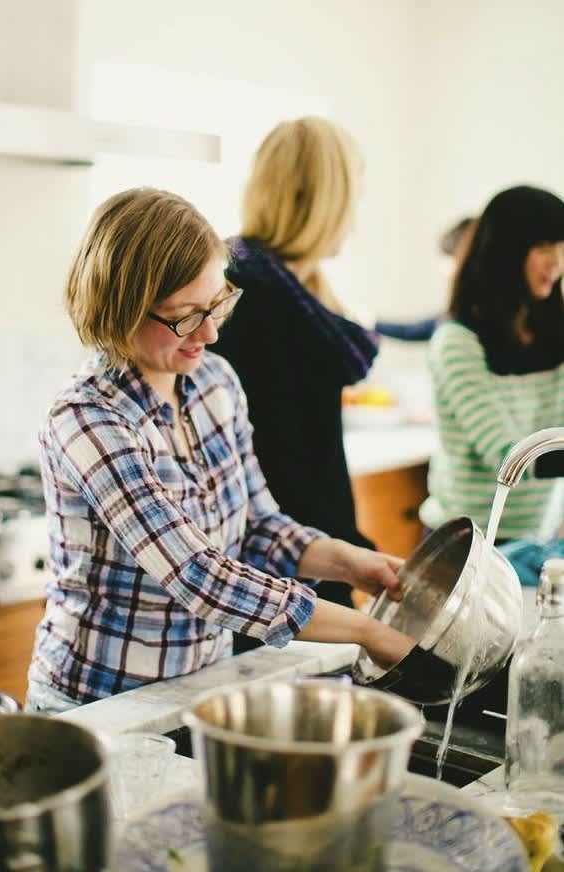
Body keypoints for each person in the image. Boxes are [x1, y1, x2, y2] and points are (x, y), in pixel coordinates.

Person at [25, 187, 413, 713]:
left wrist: (357, 565)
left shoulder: (215, 384)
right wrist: (365, 631)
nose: (207, 333)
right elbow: (198, 576)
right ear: (119, 310)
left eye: (216, 305)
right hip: (94, 705)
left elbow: (257, 527)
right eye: (184, 316)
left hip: (197, 689)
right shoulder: (89, 419)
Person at [212, 117, 378, 625]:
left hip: (314, 556)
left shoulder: (299, 296)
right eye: (352, 197)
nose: (354, 217)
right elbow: (277, 464)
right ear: (323, 202)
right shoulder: (245, 298)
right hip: (271, 576)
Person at [419, 185, 564, 547]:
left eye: (562, 248)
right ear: (508, 253)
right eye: (545, 248)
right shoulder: (458, 342)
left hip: (534, 541)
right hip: (463, 546)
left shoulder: (553, 335)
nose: (557, 263)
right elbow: (508, 457)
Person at [373, 216, 476, 342]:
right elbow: (411, 331)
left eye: (450, 262)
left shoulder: (463, 323)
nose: (445, 271)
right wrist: (373, 322)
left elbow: (414, 331)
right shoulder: (456, 316)